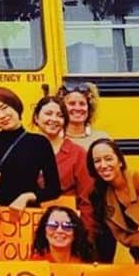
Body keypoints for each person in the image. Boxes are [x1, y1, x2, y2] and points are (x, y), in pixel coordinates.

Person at [88, 138, 139, 263]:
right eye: (97, 161)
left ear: (120, 162)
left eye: (108, 159)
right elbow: (122, 237)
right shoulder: (103, 197)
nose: (103, 165)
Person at [0, 87, 61, 209]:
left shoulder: (39, 143)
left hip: (26, 215)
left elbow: (54, 189)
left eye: (4, 108)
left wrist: (27, 197)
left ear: (15, 105)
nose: (1, 115)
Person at [31, 95, 95, 233]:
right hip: (28, 230)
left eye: (60, 115)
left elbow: (87, 201)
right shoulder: (24, 150)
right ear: (36, 118)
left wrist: (86, 236)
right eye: (48, 113)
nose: (54, 119)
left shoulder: (78, 154)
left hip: (65, 232)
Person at [58, 82, 108, 151]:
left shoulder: (102, 139)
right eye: (72, 103)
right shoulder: (54, 140)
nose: (77, 108)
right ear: (61, 108)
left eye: (82, 104)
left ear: (89, 108)